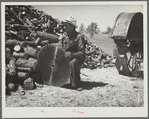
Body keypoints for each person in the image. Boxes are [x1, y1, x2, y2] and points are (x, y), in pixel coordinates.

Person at [61, 16, 86, 91]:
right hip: (67, 56)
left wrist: (72, 55)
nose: (64, 27)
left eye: (67, 26)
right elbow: (62, 47)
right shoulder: (64, 36)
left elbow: (82, 52)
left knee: (73, 62)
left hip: (78, 58)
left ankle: (76, 84)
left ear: (72, 27)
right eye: (64, 26)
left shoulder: (79, 37)